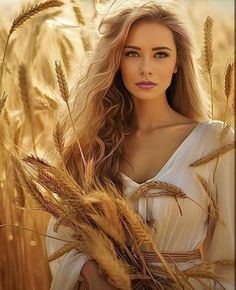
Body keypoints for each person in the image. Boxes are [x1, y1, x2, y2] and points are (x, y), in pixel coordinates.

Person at [46, 1, 234, 289]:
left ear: (177, 64)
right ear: (116, 61)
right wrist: (98, 278)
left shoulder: (214, 142)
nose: (146, 68)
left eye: (160, 54)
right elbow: (62, 231)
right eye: (132, 53)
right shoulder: (92, 146)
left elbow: (229, 257)